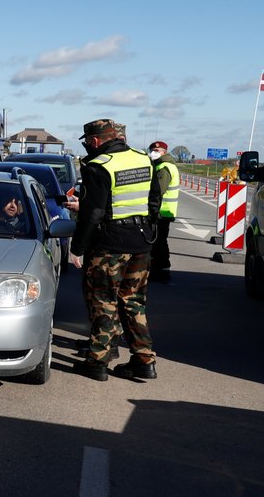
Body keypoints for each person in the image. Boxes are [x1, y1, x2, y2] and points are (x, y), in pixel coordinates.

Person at [70, 118, 162, 382]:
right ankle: (144, 361)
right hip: (142, 244)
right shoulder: (144, 159)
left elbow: (93, 213)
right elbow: (154, 200)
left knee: (104, 302)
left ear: (96, 140)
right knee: (133, 302)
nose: (88, 145)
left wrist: (77, 247)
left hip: (110, 245)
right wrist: (145, 227)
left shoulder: (99, 166)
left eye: (88, 141)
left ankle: (97, 363)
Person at [147, 140, 179, 283]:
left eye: (157, 151)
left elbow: (158, 191)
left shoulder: (164, 168)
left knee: (158, 243)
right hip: (164, 212)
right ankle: (160, 270)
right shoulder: (161, 165)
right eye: (152, 150)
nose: (154, 152)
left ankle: (161, 271)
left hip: (161, 212)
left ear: (164, 152)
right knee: (159, 242)